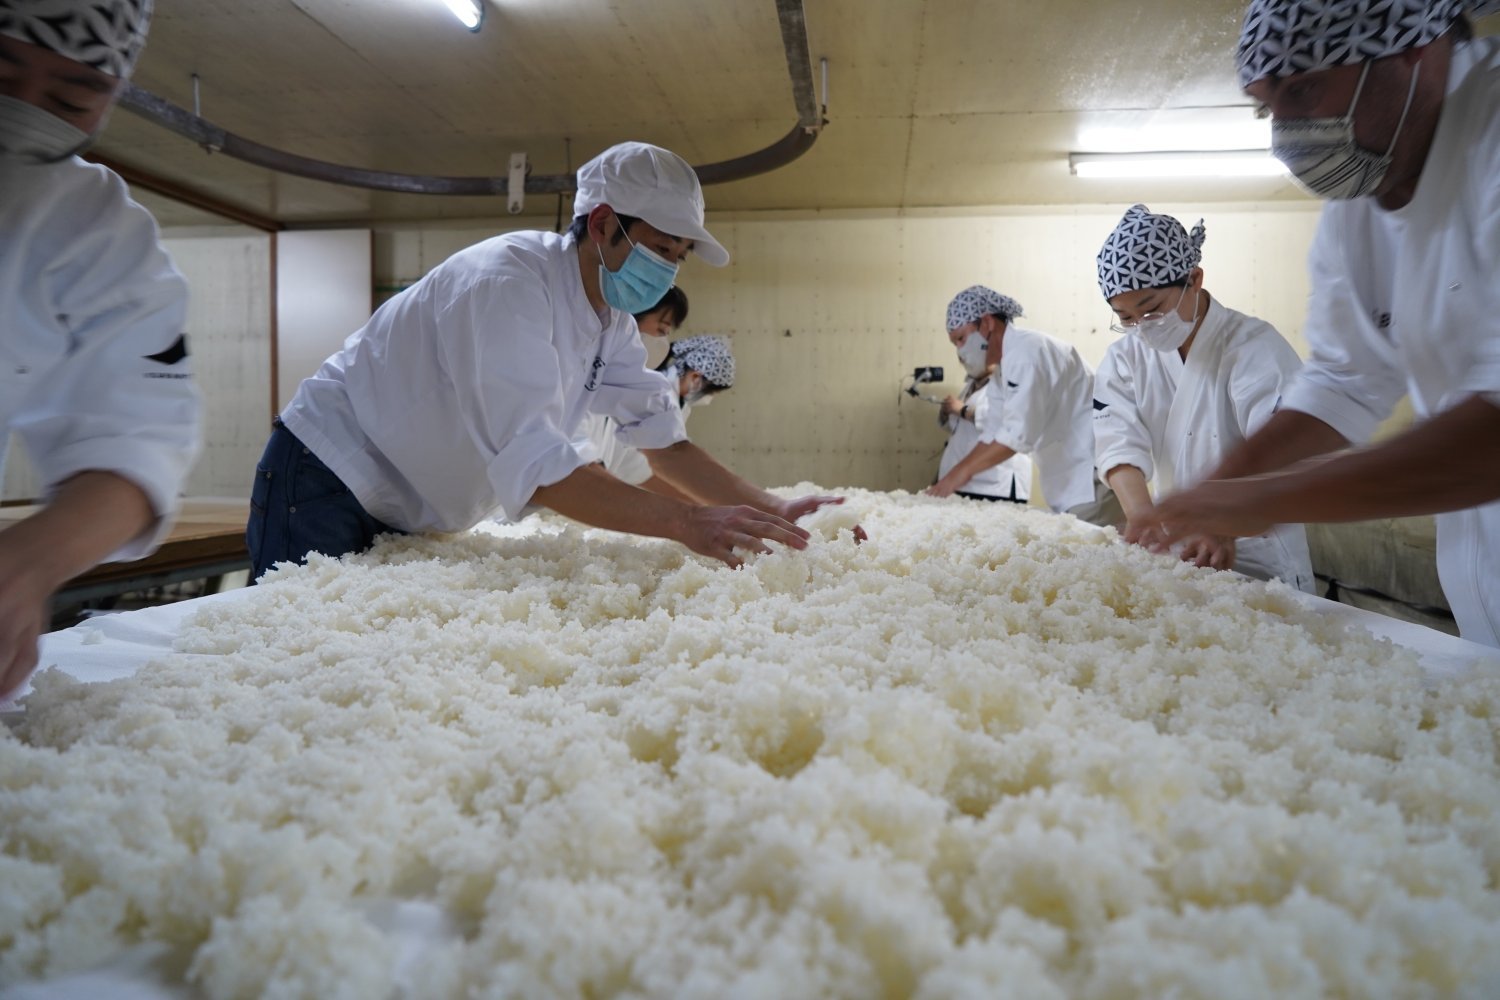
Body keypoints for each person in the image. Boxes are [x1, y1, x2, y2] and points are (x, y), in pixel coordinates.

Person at [249, 141, 850, 580]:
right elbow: (538, 461)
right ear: (604, 224)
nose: (667, 271)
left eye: (678, 256)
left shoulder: (609, 319)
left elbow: (662, 440)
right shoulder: (507, 284)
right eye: (660, 249)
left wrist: (771, 507)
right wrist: (688, 524)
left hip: (411, 503)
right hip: (329, 475)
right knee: (287, 647)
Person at [1151, 0, 1500, 646]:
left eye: (1304, 89)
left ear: (1410, 50)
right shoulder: (1360, 203)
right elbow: (1345, 382)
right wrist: (1219, 493)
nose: (1284, 131)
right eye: (1267, 106)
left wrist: (1261, 500)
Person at [0, 0, 201, 700]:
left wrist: (23, 569)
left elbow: (142, 432)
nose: (24, 109)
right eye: (1, 68)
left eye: (71, 95)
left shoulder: (99, 235)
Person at [1093, 205, 1314, 591]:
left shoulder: (1252, 346)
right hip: (1175, 552)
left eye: (1152, 310)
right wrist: (1142, 516)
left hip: (1256, 551)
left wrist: (1224, 522)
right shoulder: (1124, 357)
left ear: (1193, 279)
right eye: (1125, 317)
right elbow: (1117, 440)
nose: (1141, 329)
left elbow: (1284, 451)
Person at [927, 285, 1122, 527]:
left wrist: (955, 477)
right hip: (1066, 480)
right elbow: (992, 432)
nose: (960, 350)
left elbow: (1015, 437)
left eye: (961, 339)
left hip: (1089, 479)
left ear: (986, 323)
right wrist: (950, 480)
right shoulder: (1003, 370)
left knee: (1101, 555)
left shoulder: (1027, 353)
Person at [577, 334, 737, 502]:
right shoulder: (658, 394)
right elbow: (659, 459)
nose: (709, 399)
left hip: (615, 474)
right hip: (600, 470)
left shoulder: (681, 405)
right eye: (711, 392)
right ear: (695, 378)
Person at [935, 360, 1033, 505]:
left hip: (996, 485)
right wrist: (947, 413)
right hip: (967, 484)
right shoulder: (971, 386)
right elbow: (962, 429)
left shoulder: (1009, 381)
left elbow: (1007, 423)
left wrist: (962, 410)